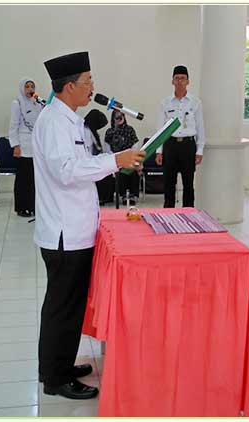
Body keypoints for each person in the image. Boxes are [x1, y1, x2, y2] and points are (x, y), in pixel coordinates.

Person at [34, 51, 145, 400]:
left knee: (69, 304)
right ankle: (55, 378)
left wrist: (119, 162)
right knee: (62, 306)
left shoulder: (69, 120)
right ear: (68, 87)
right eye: (87, 82)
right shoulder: (53, 122)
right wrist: (115, 159)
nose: (92, 88)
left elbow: (85, 163)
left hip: (78, 228)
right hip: (64, 233)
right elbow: (66, 171)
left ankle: (61, 364)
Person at [155, 65, 205, 208]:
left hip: (188, 146)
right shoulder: (165, 103)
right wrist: (159, 151)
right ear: (172, 82)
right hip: (170, 145)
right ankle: (168, 216)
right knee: (169, 184)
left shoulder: (195, 103)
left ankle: (188, 216)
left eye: (183, 78)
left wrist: (200, 150)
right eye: (176, 78)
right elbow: (160, 129)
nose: (179, 81)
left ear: (188, 81)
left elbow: (201, 127)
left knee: (188, 183)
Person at [9, 78, 43, 217]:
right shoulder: (17, 103)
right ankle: (22, 207)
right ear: (22, 89)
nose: (30, 89)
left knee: (35, 179)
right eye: (27, 86)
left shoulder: (37, 103)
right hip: (23, 146)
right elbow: (13, 126)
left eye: (32, 86)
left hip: (36, 146)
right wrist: (15, 145)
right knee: (23, 179)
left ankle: (33, 205)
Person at [105, 109, 141, 204]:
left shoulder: (130, 130)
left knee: (132, 170)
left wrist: (128, 155)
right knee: (120, 171)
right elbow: (107, 149)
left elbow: (135, 145)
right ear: (113, 118)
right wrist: (117, 157)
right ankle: (123, 195)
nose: (120, 118)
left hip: (129, 157)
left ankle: (133, 195)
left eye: (121, 116)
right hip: (116, 159)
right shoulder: (109, 132)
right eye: (117, 116)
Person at [84, 109, 114, 205]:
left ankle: (106, 197)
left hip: (95, 158)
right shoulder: (85, 131)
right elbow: (89, 150)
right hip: (88, 160)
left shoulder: (92, 131)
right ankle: (101, 197)